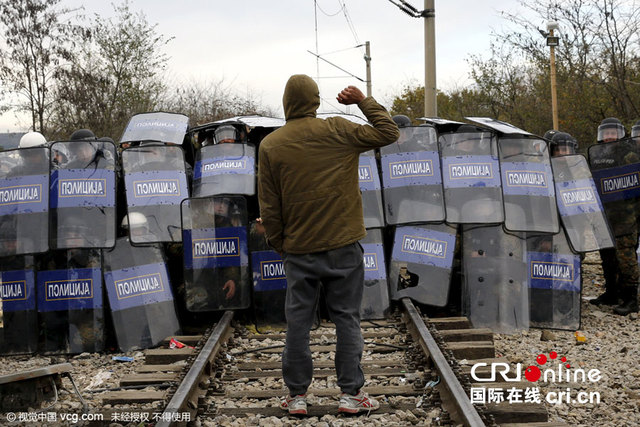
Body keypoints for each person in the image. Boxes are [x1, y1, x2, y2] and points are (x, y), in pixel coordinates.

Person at [258, 74, 398, 415]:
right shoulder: (338, 129)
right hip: (343, 246)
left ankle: (296, 397)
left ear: (286, 102)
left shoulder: (271, 145)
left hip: (299, 249)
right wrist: (363, 100)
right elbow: (389, 132)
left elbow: (269, 207)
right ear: (316, 101)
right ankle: (352, 395)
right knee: (347, 318)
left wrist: (281, 246)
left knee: (298, 323)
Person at [590, 118, 639, 315]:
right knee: (607, 255)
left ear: (621, 134)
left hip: (627, 215)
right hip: (604, 214)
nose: (609, 137)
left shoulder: (630, 154)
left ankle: (630, 298)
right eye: (606, 133)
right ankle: (611, 292)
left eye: (613, 133)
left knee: (625, 257)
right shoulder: (596, 157)